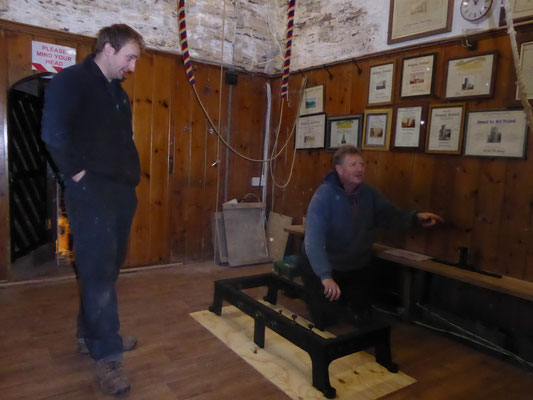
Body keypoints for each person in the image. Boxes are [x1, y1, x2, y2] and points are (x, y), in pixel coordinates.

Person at [41, 24, 144, 396]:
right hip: (91, 191)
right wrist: (79, 175)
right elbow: (53, 133)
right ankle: (108, 356)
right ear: (107, 48)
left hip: (120, 192)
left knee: (107, 267)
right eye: (129, 57)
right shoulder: (70, 82)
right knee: (98, 270)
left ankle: (90, 334)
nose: (132, 67)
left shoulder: (119, 94)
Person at [302, 145, 443, 328]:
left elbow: (389, 215)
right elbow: (313, 241)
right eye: (353, 164)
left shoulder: (368, 194)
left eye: (362, 164)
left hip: (357, 266)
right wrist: (325, 275)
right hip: (328, 267)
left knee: (361, 320)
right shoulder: (323, 197)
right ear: (339, 169)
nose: (360, 168)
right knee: (326, 322)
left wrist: (416, 218)